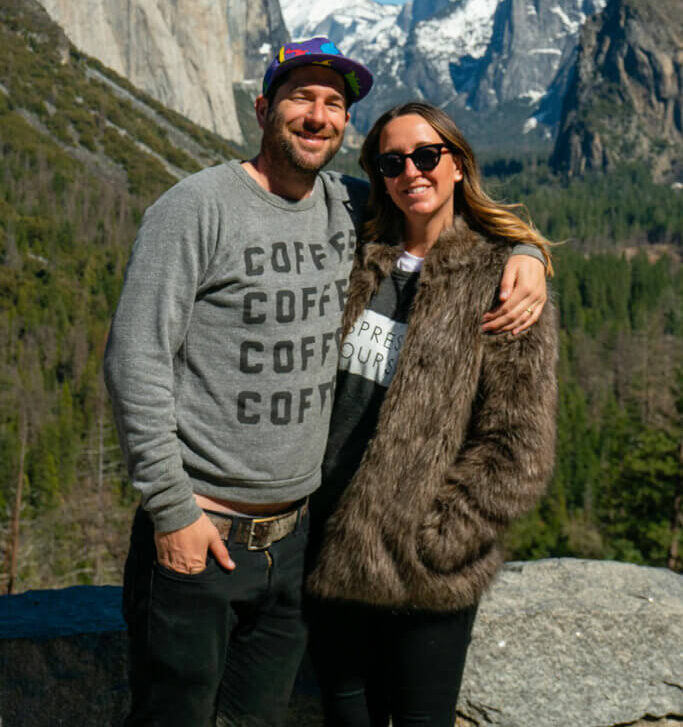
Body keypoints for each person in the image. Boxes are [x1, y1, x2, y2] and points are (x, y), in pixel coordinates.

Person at [104, 40, 549, 727]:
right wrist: (172, 511)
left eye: (333, 104)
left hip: (299, 553)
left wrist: (525, 252)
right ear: (262, 109)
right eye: (300, 98)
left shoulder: (347, 206)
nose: (317, 116)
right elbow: (135, 362)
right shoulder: (200, 208)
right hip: (208, 535)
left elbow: (452, 221)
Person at [306, 101, 558, 727]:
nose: (411, 172)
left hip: (424, 567)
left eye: (427, 156)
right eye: (393, 161)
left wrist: (441, 539)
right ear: (379, 175)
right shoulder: (352, 255)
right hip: (324, 548)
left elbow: (518, 443)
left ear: (456, 165)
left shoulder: (499, 277)